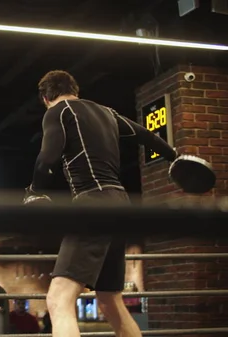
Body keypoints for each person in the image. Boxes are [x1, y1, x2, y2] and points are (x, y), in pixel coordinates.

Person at [23, 70, 178, 337]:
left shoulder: (58, 110)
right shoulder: (107, 112)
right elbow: (148, 137)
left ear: (46, 97)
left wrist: (35, 190)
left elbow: (47, 156)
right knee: (110, 300)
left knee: (58, 299)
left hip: (93, 202)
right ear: (75, 89)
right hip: (119, 203)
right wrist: (176, 157)